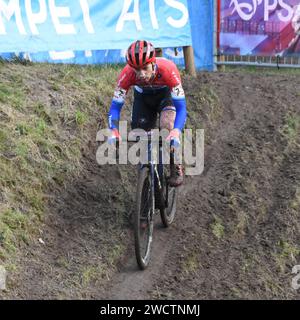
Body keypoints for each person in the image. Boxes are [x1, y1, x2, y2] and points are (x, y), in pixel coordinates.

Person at [107, 40, 187, 187]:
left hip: (165, 96)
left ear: (153, 62)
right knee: (140, 133)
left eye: (145, 68)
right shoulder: (127, 74)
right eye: (136, 70)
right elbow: (115, 107)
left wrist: (175, 131)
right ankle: (147, 174)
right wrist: (114, 131)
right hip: (143, 99)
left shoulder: (168, 70)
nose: (141, 74)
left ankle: (175, 164)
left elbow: (181, 108)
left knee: (167, 125)